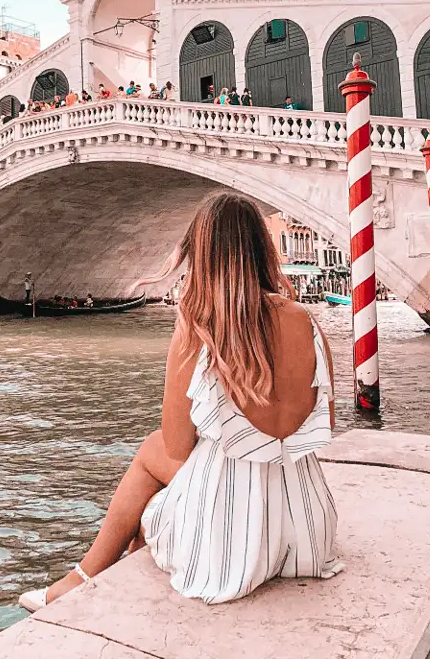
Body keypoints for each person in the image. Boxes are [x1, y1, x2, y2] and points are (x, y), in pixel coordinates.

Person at [19, 193, 341, 612]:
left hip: (230, 549)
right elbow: (326, 422)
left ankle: (81, 576)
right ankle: (94, 572)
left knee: (152, 452)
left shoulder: (198, 326)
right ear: (263, 247)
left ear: (201, 254)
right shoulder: (306, 320)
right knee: (158, 498)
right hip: (307, 531)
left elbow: (176, 445)